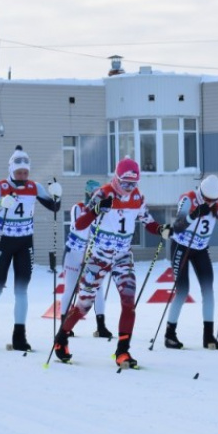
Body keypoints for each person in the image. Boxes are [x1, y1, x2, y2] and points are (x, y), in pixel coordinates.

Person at [53, 157, 171, 368]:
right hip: (100, 256)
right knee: (84, 305)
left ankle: (122, 351)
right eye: (125, 183)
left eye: (133, 183)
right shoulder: (104, 192)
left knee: (128, 302)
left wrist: (161, 229)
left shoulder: (137, 197)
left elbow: (148, 222)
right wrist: (97, 209)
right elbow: (80, 224)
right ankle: (61, 338)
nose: (128, 188)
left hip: (123, 257)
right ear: (116, 178)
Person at [0, 145, 62, 351]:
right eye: (19, 172)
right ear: (11, 171)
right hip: (4, 241)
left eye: (25, 172)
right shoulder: (0, 187)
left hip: (24, 243)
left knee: (21, 290)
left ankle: (19, 335)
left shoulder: (34, 187)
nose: (22, 176)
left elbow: (54, 208)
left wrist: (56, 195)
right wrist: (0, 203)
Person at [165, 175, 218, 350]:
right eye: (208, 200)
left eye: (214, 200)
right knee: (182, 291)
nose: (211, 203)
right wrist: (194, 215)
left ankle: (208, 336)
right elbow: (178, 225)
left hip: (200, 249)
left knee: (208, 290)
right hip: (181, 247)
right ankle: (169, 335)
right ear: (202, 194)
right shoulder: (188, 199)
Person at [59, 179, 113, 339]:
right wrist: (95, 212)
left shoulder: (105, 212)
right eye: (94, 193)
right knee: (70, 288)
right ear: (88, 193)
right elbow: (78, 227)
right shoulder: (79, 207)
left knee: (97, 289)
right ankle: (64, 324)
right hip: (74, 253)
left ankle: (101, 326)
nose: (96, 197)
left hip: (93, 254)